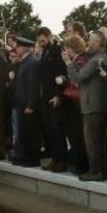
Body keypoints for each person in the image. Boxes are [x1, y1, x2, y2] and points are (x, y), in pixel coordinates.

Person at [68, 31, 107, 182]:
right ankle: (98, 170)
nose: (87, 43)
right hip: (92, 104)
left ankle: (96, 171)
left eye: (91, 40)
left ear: (98, 42)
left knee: (93, 141)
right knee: (96, 140)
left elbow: (78, 78)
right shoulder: (96, 58)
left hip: (93, 105)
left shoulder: (96, 60)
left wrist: (68, 62)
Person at [36, 27, 70, 173]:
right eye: (39, 41)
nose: (41, 43)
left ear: (49, 37)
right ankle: (55, 159)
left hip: (54, 97)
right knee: (49, 130)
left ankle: (61, 160)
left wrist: (58, 95)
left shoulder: (56, 52)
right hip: (45, 96)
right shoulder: (45, 52)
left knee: (57, 130)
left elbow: (61, 75)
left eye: (43, 40)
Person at [58, 35, 88, 174]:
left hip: (76, 102)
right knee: (73, 134)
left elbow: (77, 80)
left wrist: (67, 62)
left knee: (77, 135)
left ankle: (80, 164)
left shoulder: (80, 60)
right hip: (72, 101)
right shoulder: (77, 60)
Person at [12, 36, 41, 167]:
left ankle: (32, 159)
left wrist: (30, 105)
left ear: (24, 48)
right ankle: (23, 156)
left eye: (18, 46)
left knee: (31, 133)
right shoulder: (24, 61)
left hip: (28, 105)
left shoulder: (32, 62)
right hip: (21, 103)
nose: (15, 49)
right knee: (23, 132)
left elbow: (33, 85)